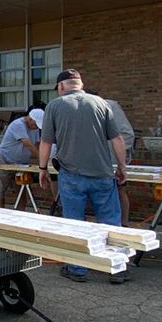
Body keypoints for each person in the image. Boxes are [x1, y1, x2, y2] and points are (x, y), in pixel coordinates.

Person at [38, 69, 128, 284]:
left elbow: (46, 142)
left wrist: (42, 169)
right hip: (103, 174)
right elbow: (117, 139)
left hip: (72, 176)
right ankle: (117, 269)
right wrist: (122, 167)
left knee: (75, 223)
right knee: (110, 222)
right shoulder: (100, 103)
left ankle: (77, 269)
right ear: (80, 84)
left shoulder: (55, 106)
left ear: (61, 86)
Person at [87, 91, 135, 226]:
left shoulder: (109, 106)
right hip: (93, 162)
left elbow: (127, 135)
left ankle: (123, 224)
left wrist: (118, 161)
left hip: (111, 161)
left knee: (119, 190)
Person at [0, 108, 44, 208]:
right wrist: (43, 160)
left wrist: (44, 156)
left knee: (22, 189)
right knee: (1, 189)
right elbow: (28, 144)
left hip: (21, 163)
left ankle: (21, 213)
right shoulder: (18, 125)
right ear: (30, 119)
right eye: (36, 124)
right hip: (4, 160)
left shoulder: (35, 128)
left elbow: (38, 144)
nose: (37, 128)